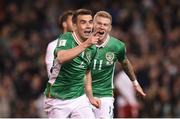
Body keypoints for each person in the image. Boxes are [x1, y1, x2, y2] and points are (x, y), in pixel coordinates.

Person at [85, 11, 146, 118]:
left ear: (109, 28)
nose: (102, 27)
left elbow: (125, 63)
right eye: (99, 23)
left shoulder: (117, 46)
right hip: (82, 95)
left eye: (105, 24)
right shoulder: (83, 43)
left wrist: (135, 83)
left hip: (104, 95)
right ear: (93, 24)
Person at [44, 9, 100, 118]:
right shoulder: (66, 38)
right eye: (83, 22)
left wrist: (91, 97)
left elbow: (87, 72)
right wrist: (85, 44)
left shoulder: (93, 48)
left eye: (90, 22)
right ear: (75, 26)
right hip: (58, 98)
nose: (88, 26)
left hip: (79, 97)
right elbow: (61, 58)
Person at [45, 10, 74, 78]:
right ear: (64, 24)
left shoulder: (81, 45)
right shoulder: (53, 45)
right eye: (72, 20)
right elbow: (51, 74)